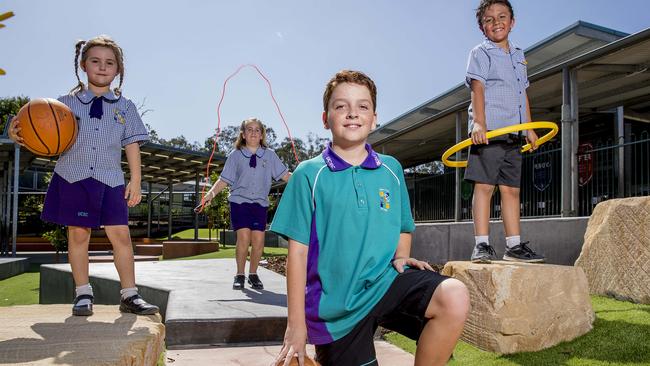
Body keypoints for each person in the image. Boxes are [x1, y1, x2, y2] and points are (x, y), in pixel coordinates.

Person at [270, 70, 469, 366]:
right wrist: (295, 326)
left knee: (454, 295)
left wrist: (402, 256)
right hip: (337, 309)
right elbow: (297, 255)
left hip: (385, 283)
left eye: (362, 106)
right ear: (325, 118)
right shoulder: (308, 175)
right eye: (341, 106)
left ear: (374, 117)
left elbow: (403, 225)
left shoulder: (391, 169)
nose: (352, 113)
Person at [8, 35, 159, 316]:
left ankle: (130, 295)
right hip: (72, 176)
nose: (102, 67)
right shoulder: (62, 105)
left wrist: (136, 180)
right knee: (78, 235)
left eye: (109, 63)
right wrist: (21, 136)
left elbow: (132, 145)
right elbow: (40, 135)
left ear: (118, 70)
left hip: (111, 179)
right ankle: (82, 294)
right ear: (83, 65)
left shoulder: (126, 107)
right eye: (95, 61)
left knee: (122, 236)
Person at [465, 0, 545, 263]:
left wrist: (530, 128)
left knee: (511, 190)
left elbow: (523, 93)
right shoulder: (481, 52)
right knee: (485, 186)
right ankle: (482, 244)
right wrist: (479, 123)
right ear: (482, 27)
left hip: (515, 132)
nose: (496, 22)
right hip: (489, 130)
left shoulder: (519, 56)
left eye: (502, 16)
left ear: (512, 22)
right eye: (489, 19)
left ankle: (514, 246)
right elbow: (477, 87)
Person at [197, 118, 290, 290]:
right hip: (239, 202)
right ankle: (240, 274)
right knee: (244, 237)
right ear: (243, 134)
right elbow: (224, 180)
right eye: (249, 129)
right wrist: (210, 194)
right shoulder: (236, 155)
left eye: (257, 130)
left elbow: (285, 176)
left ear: (262, 134)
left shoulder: (270, 155)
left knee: (259, 240)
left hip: (260, 204)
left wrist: (305, 181)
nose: (254, 132)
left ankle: (253, 274)